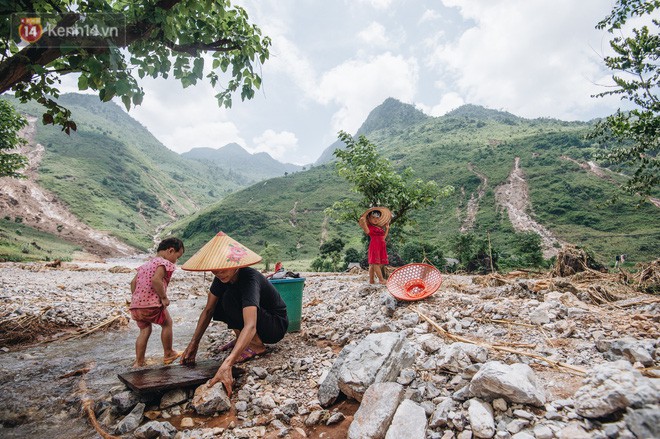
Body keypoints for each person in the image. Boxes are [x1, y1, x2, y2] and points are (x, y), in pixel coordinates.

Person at [180, 232, 288, 396]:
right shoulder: (221, 278)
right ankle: (242, 340)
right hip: (259, 321)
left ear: (235, 264)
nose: (219, 273)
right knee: (219, 301)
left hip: (275, 325)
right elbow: (208, 310)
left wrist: (227, 364)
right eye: (215, 270)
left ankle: (257, 346)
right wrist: (193, 343)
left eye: (223, 269)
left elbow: (250, 324)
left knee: (230, 297)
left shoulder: (249, 278)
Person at [129, 237, 185, 367]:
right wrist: (164, 297)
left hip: (137, 306)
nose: (176, 260)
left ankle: (139, 362)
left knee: (144, 331)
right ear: (170, 251)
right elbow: (156, 280)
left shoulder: (145, 265)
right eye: (178, 256)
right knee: (167, 323)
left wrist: (137, 298)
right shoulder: (163, 263)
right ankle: (169, 353)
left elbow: (133, 283)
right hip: (152, 304)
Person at [359, 207, 392, 285]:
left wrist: (387, 229)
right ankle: (381, 279)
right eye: (373, 217)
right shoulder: (370, 227)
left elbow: (383, 237)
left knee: (374, 264)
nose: (375, 219)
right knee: (375, 263)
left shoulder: (380, 228)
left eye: (377, 217)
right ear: (369, 219)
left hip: (381, 245)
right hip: (375, 245)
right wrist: (363, 223)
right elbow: (367, 231)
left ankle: (371, 280)